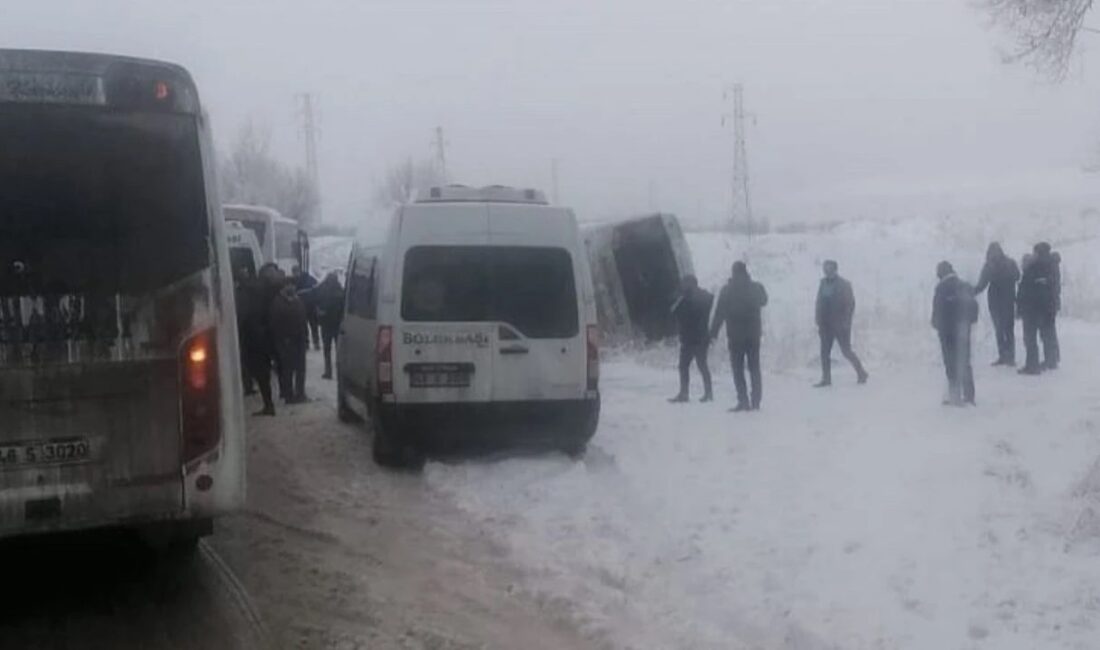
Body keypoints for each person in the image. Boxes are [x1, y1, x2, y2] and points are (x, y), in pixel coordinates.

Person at [709, 261, 768, 412]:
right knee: (754, 368)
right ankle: (756, 401)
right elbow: (764, 301)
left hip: (735, 336)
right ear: (746, 271)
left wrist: (713, 333)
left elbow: (719, 313)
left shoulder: (727, 290)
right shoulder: (756, 287)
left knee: (738, 369)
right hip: (753, 335)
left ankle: (743, 401)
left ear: (733, 273)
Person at [814, 260, 868, 387]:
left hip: (840, 325)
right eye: (825, 268)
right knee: (824, 353)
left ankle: (861, 372)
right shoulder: (822, 283)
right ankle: (826, 379)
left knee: (846, 351)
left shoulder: (844, 284)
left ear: (835, 269)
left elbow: (850, 305)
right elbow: (819, 302)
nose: (826, 270)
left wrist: (846, 322)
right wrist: (817, 318)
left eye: (829, 268)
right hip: (825, 324)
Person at [931, 261, 978, 406]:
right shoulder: (964, 285)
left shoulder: (941, 288)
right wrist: (968, 322)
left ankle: (954, 395)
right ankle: (969, 395)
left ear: (941, 273)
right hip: (963, 329)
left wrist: (936, 324)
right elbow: (974, 307)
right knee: (964, 361)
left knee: (950, 362)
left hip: (947, 331)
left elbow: (937, 311)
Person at [242, 264, 283, 416]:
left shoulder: (257, 290)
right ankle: (277, 398)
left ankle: (269, 404)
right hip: (268, 337)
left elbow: (250, 314)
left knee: (261, 372)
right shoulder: (273, 290)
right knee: (269, 370)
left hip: (257, 338)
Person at [668, 275, 714, 403]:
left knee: (685, 366)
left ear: (690, 284)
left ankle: (685, 394)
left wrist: (682, 296)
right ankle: (708, 393)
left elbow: (673, 311)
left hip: (691, 337)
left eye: (684, 283)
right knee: (701, 365)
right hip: (700, 336)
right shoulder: (703, 296)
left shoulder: (686, 298)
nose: (682, 285)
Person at [973, 242, 1020, 366]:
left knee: (999, 329)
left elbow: (982, 285)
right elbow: (1017, 276)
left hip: (995, 301)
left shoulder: (989, 265)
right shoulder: (1010, 263)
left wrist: (971, 292)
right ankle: (1010, 357)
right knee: (1008, 329)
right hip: (1008, 299)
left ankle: (1003, 356)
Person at [1017, 242, 1059, 375]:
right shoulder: (1052, 266)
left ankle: (1032, 365)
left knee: (1030, 337)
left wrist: (1020, 305)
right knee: (1047, 334)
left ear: (1038, 252)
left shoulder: (1034, 267)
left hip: (1033, 308)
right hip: (1049, 306)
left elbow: (1026, 289)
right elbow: (1053, 287)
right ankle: (1051, 360)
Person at [270, 279, 309, 403]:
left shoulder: (298, 301)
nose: (292, 287)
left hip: (299, 340)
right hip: (286, 341)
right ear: (285, 287)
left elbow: (304, 320)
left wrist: (306, 337)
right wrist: (282, 339)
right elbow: (275, 324)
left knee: (300, 368)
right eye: (290, 285)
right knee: (288, 369)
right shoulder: (278, 303)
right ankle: (288, 394)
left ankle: (300, 393)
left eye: (293, 285)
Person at [313, 271, 345, 380]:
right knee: (339, 351)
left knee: (327, 350)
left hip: (326, 325)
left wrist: (320, 313)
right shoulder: (340, 291)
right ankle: (340, 372)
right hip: (337, 325)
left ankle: (328, 371)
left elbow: (317, 301)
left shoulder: (324, 291)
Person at [293, 265, 321, 351]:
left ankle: (309, 343)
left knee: (308, 326)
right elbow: (317, 289)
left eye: (295, 272)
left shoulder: (297, 281)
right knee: (311, 326)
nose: (295, 274)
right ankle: (313, 343)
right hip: (308, 306)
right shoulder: (310, 279)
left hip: (305, 306)